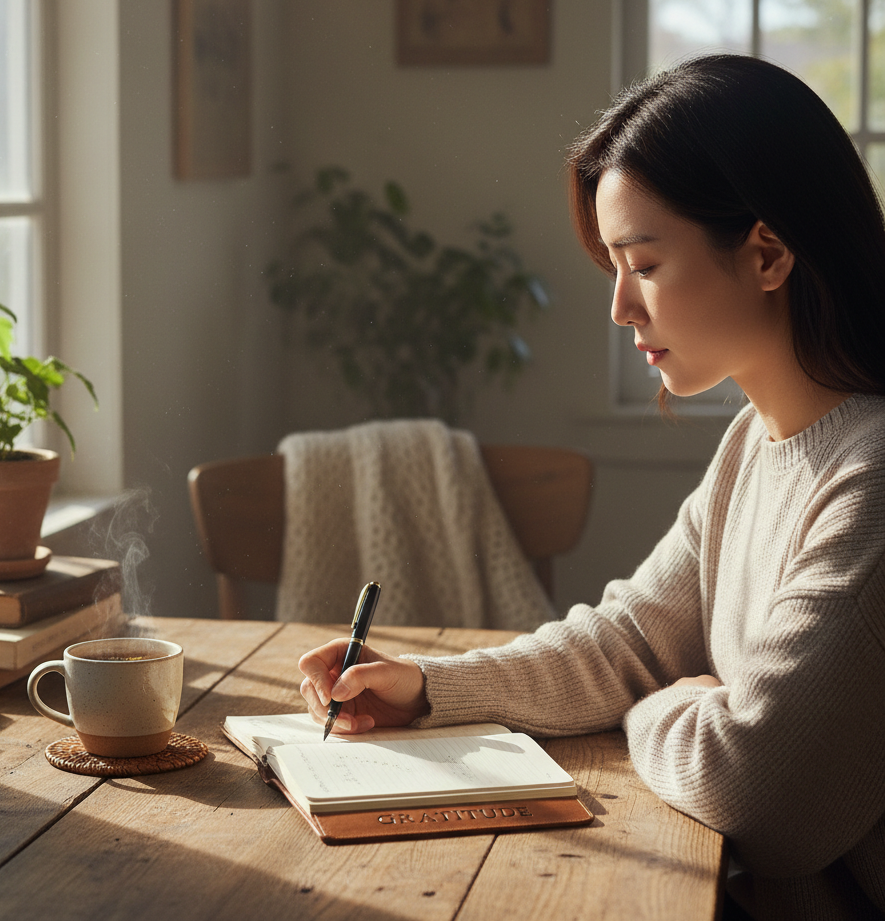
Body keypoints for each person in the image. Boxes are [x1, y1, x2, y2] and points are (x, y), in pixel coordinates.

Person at [297, 55, 885, 921]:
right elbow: (632, 640)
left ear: (767, 254)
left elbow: (760, 791)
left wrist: (661, 707)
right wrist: (427, 686)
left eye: (642, 264)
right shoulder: (757, 444)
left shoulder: (871, 480)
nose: (619, 307)